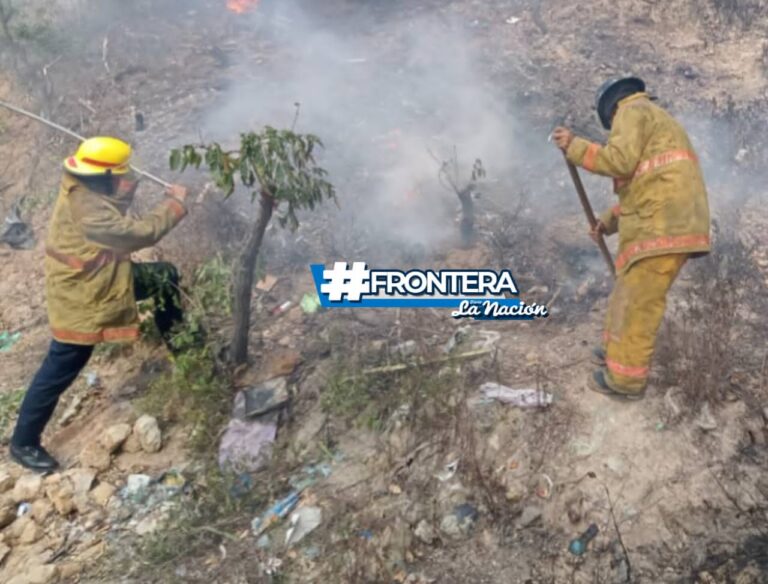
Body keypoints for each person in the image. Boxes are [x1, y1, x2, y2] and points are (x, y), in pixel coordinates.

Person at [10, 136, 190, 472]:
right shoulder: (89, 212)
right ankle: (23, 443)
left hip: (101, 279)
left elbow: (112, 201)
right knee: (61, 366)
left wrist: (124, 182)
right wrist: (174, 205)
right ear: (103, 175)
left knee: (164, 276)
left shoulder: (80, 181)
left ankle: (189, 352)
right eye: (119, 175)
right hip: (84, 295)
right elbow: (139, 233)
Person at [552, 77, 710, 400]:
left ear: (611, 110)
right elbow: (642, 187)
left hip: (662, 226)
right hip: (665, 220)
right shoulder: (656, 120)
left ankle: (625, 383)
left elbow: (618, 161)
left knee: (638, 304)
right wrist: (605, 223)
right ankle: (614, 353)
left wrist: (575, 146)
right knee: (626, 295)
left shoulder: (631, 111)